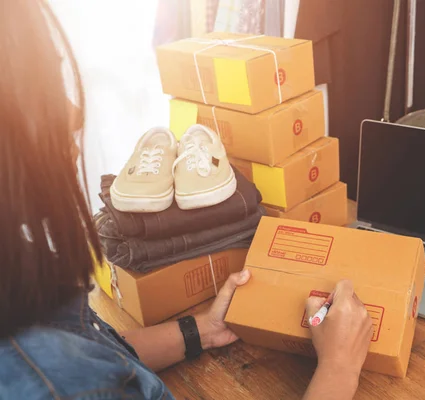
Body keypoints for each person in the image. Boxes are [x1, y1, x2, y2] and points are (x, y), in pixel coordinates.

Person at [0, 1, 373, 399]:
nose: (74, 114)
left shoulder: (17, 274)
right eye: (42, 88)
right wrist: (339, 369)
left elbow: (93, 352)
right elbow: (76, 373)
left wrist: (201, 330)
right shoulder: (55, 385)